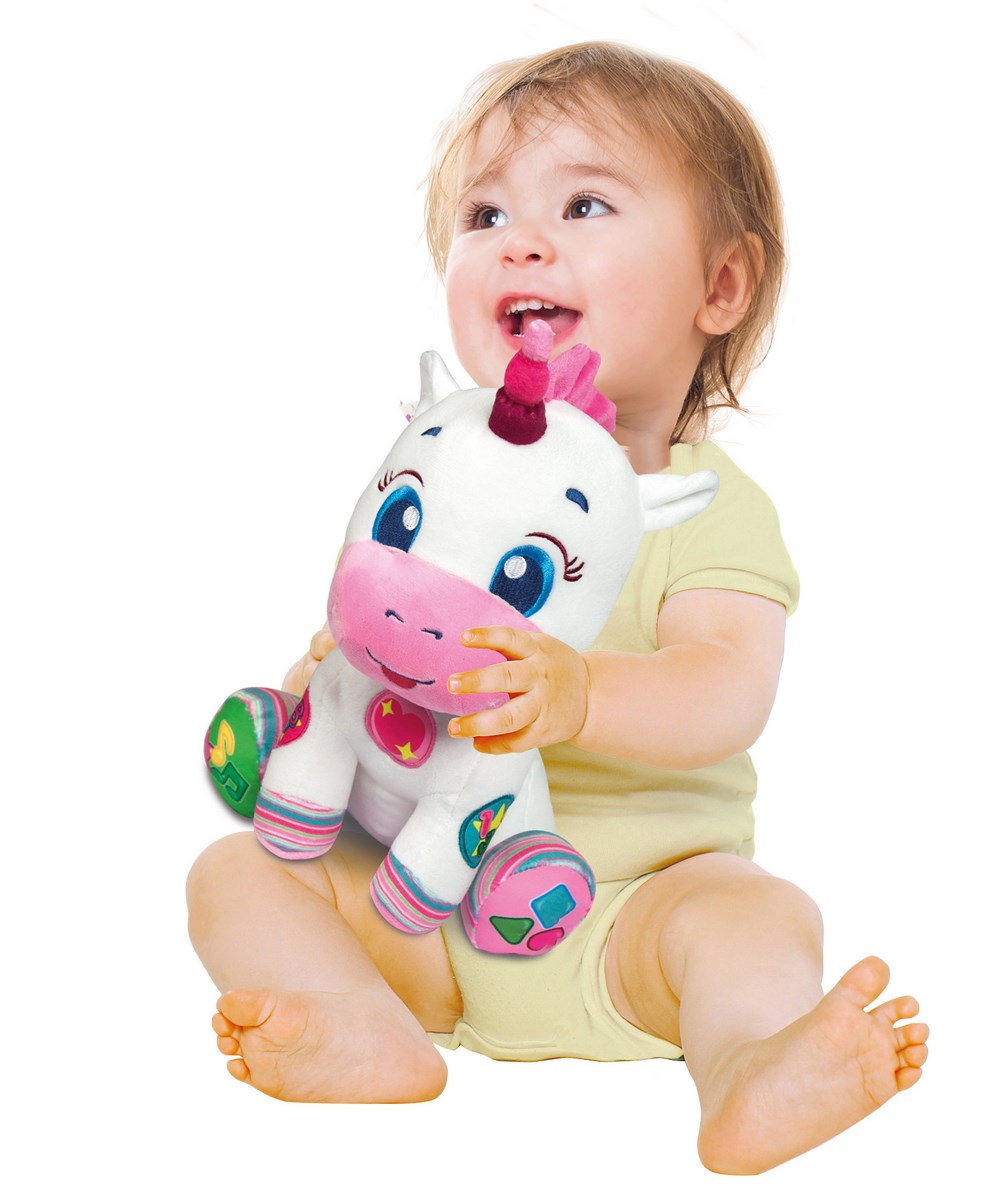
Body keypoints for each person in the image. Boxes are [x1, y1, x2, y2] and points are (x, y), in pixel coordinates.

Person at [186, 42, 928, 1173]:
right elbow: (382, 629)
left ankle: (747, 1065)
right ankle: (365, 1026)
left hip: (636, 917)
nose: (520, 241)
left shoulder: (710, 509)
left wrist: (577, 694)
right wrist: (331, 682)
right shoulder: (440, 478)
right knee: (232, 872)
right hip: (426, 910)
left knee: (757, 916)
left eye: (583, 205)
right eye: (485, 215)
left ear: (719, 287)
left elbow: (727, 688)